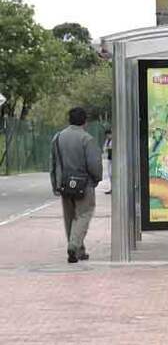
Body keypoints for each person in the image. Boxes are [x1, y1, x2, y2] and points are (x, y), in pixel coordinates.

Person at [50, 107, 103, 263]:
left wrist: (55, 184)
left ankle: (79, 251)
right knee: (84, 214)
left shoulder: (57, 137)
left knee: (69, 217)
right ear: (85, 121)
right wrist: (96, 179)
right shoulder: (87, 139)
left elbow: (52, 163)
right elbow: (94, 164)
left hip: (64, 184)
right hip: (84, 184)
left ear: (69, 120)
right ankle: (74, 246)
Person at [102, 129, 113, 194]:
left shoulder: (114, 140)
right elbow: (104, 148)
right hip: (109, 158)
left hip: (113, 158)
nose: (108, 136)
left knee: (112, 174)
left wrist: (108, 148)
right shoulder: (107, 141)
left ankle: (113, 188)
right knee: (110, 174)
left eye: (108, 135)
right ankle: (111, 188)